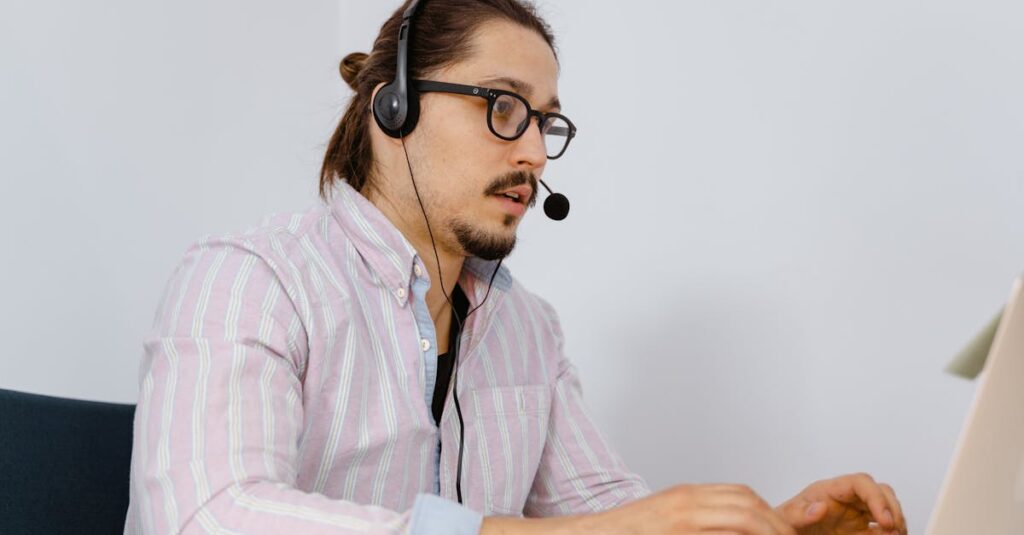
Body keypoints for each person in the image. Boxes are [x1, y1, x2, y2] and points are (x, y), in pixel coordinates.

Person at [125, 1, 909, 534]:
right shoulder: (248, 281)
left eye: (545, 121)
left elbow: (607, 512)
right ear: (393, 108)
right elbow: (212, 515)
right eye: (503, 106)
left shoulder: (527, 327)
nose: (534, 152)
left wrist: (761, 525)